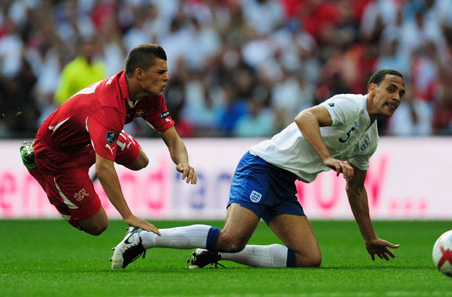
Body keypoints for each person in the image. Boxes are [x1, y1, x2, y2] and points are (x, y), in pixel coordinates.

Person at [110, 69, 404, 269]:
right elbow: (304, 118)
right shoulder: (350, 105)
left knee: (308, 258)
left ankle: (214, 253)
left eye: (401, 94)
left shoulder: (370, 139)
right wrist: (326, 157)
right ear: (372, 89)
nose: (396, 97)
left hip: (284, 182)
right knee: (233, 237)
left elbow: (356, 188)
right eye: (391, 89)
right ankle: (143, 237)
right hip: (262, 166)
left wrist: (369, 237)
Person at [20, 44, 197, 236]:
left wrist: (183, 162)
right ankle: (35, 164)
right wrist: (128, 215)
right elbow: (103, 168)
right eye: (160, 72)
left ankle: (104, 139)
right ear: (139, 74)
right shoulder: (107, 107)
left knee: (140, 161)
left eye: (166, 72)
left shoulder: (151, 97)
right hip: (59, 154)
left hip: (91, 136)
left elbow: (173, 140)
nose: (167, 77)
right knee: (97, 226)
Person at [54, 37, 106, 105]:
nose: (89, 48)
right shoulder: (70, 70)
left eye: (92, 44)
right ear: (78, 49)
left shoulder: (100, 67)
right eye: (85, 45)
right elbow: (60, 98)